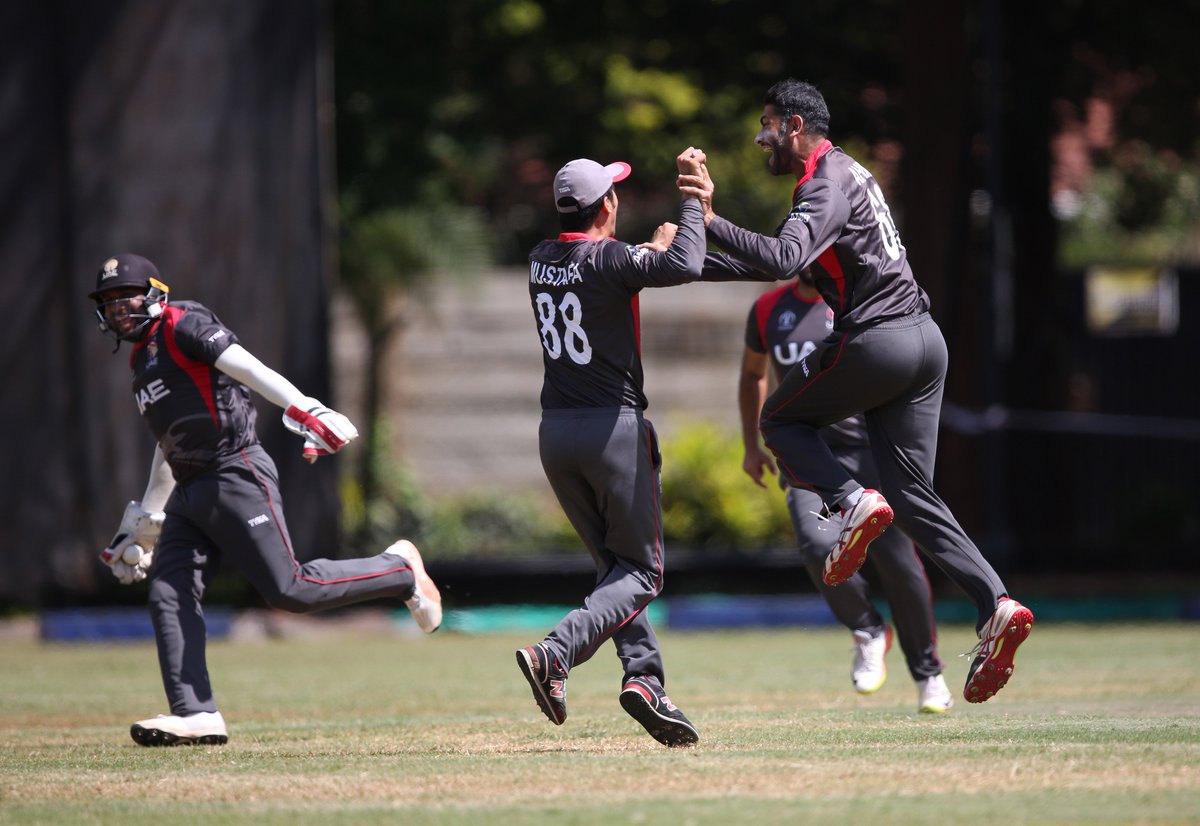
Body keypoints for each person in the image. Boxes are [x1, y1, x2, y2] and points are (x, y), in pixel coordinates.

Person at [679, 79, 1033, 704]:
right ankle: (997, 602)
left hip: (878, 342)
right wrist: (675, 258)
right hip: (925, 343)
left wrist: (707, 219)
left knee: (780, 421)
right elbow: (780, 259)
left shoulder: (821, 183)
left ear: (794, 125)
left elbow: (782, 258)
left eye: (766, 124)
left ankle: (849, 502)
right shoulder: (849, 174)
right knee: (913, 498)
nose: (760, 138)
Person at [89, 253, 443, 746]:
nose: (118, 309)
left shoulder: (182, 322)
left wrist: (306, 407)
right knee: (169, 592)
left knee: (289, 589)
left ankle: (399, 570)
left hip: (234, 471)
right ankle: (196, 713)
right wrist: (147, 519)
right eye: (109, 302)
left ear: (154, 293)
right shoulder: (140, 360)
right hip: (190, 489)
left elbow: (248, 367)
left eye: (126, 297)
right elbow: (169, 439)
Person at [515, 152, 713, 747]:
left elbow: (600, 266)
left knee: (615, 567)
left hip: (556, 434)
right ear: (608, 204)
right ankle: (557, 650)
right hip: (612, 432)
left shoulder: (539, 258)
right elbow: (686, 263)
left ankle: (644, 680)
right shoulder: (611, 260)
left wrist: (645, 253)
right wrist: (690, 206)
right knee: (644, 572)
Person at [740, 269, 952, 713]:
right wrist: (751, 445)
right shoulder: (766, 309)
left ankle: (928, 674)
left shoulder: (857, 303)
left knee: (898, 562)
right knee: (817, 546)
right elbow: (753, 374)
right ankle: (868, 629)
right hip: (806, 453)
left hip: (868, 450)